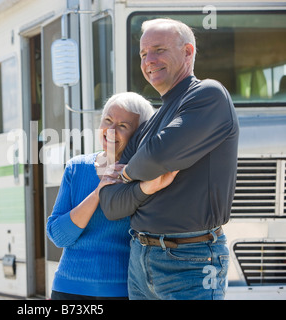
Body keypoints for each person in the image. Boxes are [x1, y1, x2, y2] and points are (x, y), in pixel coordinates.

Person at [100, 18, 240, 300]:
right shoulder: (152, 121)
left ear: (188, 52)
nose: (148, 60)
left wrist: (127, 176)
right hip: (140, 259)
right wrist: (144, 187)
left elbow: (158, 156)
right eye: (142, 54)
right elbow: (111, 204)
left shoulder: (208, 95)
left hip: (191, 260)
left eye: (159, 50)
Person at [46, 92, 176, 300]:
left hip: (123, 290)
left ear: (139, 133)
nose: (111, 131)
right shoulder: (77, 167)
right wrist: (99, 191)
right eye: (108, 120)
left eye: (123, 126)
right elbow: (58, 236)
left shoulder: (145, 176)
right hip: (69, 289)